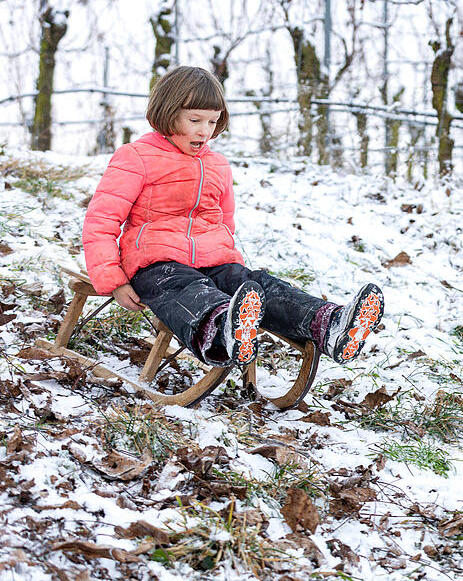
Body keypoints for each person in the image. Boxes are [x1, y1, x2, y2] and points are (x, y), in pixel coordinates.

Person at [82, 66, 384, 371]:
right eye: (195, 120)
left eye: (212, 121)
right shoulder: (136, 157)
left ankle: (328, 324)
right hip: (155, 264)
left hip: (213, 260)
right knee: (186, 288)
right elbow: (101, 221)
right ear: (167, 114)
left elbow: (224, 223)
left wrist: (232, 264)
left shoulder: (218, 165)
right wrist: (114, 281)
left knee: (255, 284)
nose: (205, 131)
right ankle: (221, 330)